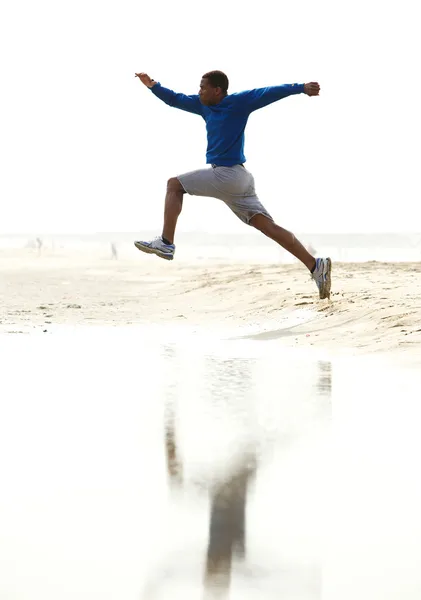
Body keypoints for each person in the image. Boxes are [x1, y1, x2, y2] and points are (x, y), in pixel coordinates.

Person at [134, 71, 331, 299]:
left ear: (217, 90)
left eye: (203, 88)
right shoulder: (203, 106)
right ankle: (316, 266)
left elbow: (268, 93)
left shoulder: (238, 102)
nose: (199, 92)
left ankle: (166, 243)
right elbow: (175, 99)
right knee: (268, 227)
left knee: (174, 185)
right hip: (239, 179)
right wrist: (153, 85)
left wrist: (300, 87)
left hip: (227, 175)